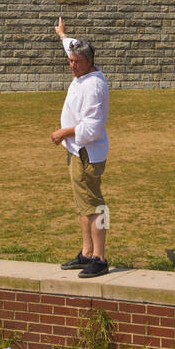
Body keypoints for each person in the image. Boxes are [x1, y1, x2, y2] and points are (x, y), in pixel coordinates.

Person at [51, 18, 111, 279]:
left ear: (89, 62)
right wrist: (63, 35)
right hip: (76, 151)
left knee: (95, 205)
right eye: (70, 61)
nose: (72, 65)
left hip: (87, 152)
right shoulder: (81, 67)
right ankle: (87, 253)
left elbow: (92, 128)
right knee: (83, 204)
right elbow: (71, 47)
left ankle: (100, 257)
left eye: (77, 62)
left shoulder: (93, 86)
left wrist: (64, 132)